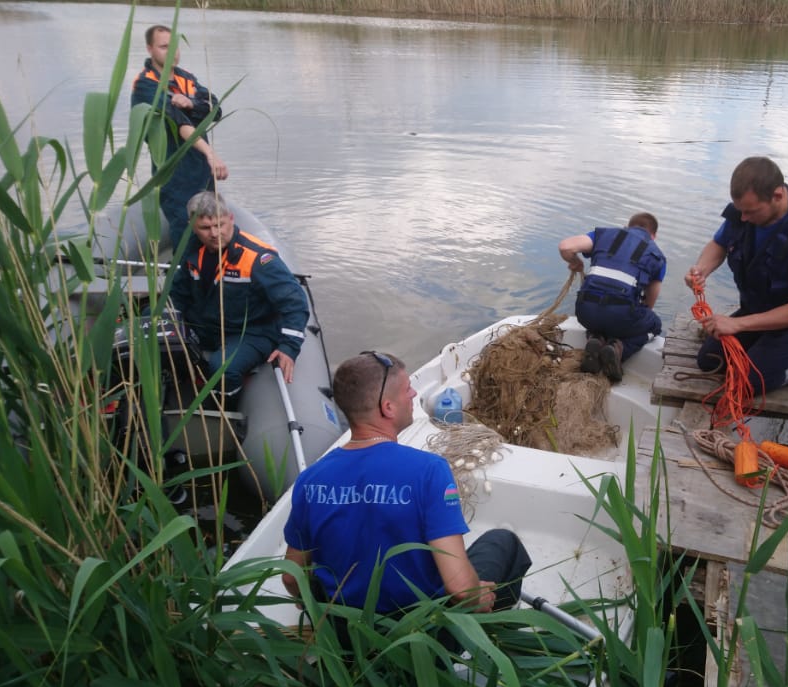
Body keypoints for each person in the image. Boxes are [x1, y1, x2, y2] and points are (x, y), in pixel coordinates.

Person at [281, 352, 532, 628]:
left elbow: (292, 578)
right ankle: (497, 632)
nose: (414, 393)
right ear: (387, 407)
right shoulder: (428, 471)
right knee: (503, 542)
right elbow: (461, 590)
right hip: (422, 639)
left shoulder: (311, 479)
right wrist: (478, 596)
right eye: (406, 389)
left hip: (348, 634)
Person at [685, 156, 788, 394]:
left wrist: (737, 324)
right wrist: (701, 270)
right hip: (759, 310)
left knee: (749, 382)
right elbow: (719, 244)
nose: (744, 219)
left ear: (777, 195)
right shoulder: (745, 212)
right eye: (741, 211)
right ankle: (765, 346)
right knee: (709, 360)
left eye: (751, 212)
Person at [169, 192, 308, 397]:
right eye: (206, 228)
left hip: (251, 331)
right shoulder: (191, 251)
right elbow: (179, 293)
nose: (214, 233)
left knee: (223, 369)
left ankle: (223, 408)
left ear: (231, 218)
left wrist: (289, 347)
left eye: (220, 225)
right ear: (192, 225)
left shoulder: (257, 258)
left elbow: (294, 301)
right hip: (206, 325)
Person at [131, 24, 229, 249]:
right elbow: (178, 121)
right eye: (164, 47)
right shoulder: (145, 84)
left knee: (210, 232)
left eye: (175, 46)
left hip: (202, 173)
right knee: (185, 237)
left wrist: (191, 102)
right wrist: (210, 153)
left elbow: (215, 108)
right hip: (174, 173)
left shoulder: (187, 79)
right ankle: (183, 278)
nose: (172, 52)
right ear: (150, 49)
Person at [559, 212, 666, 382]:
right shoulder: (657, 256)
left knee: (600, 316)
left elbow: (565, 247)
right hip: (620, 315)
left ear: (627, 226)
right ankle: (618, 350)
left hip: (585, 312)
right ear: (654, 235)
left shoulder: (603, 235)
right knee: (654, 325)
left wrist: (577, 262)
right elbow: (649, 304)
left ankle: (595, 339)